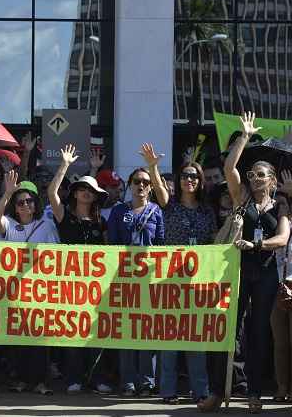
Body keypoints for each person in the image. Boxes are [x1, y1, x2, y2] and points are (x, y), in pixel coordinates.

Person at [214, 111, 290, 413]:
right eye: (252, 174)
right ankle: (219, 390)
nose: (254, 178)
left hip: (267, 273)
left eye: (260, 175)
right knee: (230, 332)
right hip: (239, 271)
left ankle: (255, 393)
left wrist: (255, 243)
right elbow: (229, 166)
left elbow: (283, 238)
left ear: (272, 180)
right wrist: (244, 136)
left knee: (259, 332)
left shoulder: (282, 203)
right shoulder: (242, 197)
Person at [48, 144, 113, 395]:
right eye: (82, 189)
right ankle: (73, 377)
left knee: (96, 332)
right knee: (72, 331)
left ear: (96, 196)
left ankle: (96, 378)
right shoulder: (65, 216)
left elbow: (109, 254)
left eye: (91, 190)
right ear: (75, 193)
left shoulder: (101, 222)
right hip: (69, 283)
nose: (86, 193)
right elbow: (52, 193)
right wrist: (65, 164)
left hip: (96, 286)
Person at [105, 144, 168, 396]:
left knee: (147, 332)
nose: (140, 186)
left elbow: (162, 244)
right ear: (129, 186)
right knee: (126, 332)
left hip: (149, 278)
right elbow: (110, 244)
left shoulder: (157, 212)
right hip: (123, 278)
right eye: (136, 182)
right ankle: (128, 381)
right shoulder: (119, 211)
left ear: (151, 187)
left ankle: (147, 381)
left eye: (145, 182)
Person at [153, 158, 214, 407]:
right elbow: (158, 189)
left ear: (200, 182)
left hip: (198, 280)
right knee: (170, 338)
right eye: (185, 176)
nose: (190, 180)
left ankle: (200, 391)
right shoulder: (170, 206)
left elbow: (213, 242)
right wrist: (152, 166)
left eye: (194, 176)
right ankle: (167, 390)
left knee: (195, 339)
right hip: (170, 278)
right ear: (178, 181)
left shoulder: (207, 211)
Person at [0, 171, 57, 395]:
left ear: (36, 203)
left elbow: (58, 257)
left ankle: (40, 381)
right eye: (20, 201)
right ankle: (19, 379)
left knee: (40, 339)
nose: (25, 205)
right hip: (14, 292)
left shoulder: (46, 225)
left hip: (40, 292)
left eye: (29, 201)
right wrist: (7, 194)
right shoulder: (8, 224)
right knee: (18, 339)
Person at [270, 193, 292, 403]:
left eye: (284, 204)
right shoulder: (273, 226)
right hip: (276, 287)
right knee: (280, 343)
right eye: (277, 204)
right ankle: (282, 386)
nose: (280, 207)